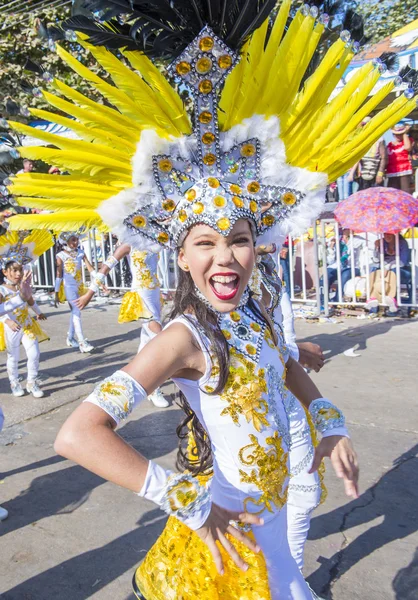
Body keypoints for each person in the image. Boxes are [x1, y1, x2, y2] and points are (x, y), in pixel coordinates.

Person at [4, 2, 412, 596]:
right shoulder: (182, 338)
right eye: (206, 243)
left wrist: (329, 422)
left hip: (271, 530)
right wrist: (187, 503)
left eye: (239, 240)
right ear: (183, 256)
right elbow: (78, 434)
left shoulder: (253, 313)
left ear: (257, 246)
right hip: (225, 544)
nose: (225, 256)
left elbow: (286, 363)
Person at [76, 244, 169, 408]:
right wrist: (90, 293)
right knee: (159, 339)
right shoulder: (128, 245)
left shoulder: (153, 240)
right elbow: (105, 267)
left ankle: (135, 382)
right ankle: (154, 388)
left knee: (147, 344)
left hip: (154, 295)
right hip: (141, 298)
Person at [0, 231, 52, 398]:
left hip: (27, 324)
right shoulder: (1, 290)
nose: (18, 274)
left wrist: (38, 312)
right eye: (14, 271)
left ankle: (32, 382)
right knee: (13, 357)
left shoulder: (23, 286)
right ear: (5, 272)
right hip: (12, 328)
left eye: (20, 270)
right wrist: (7, 322)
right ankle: (14, 382)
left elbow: (29, 300)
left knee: (34, 353)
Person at [54, 232, 95, 352]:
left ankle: (70, 338)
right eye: (73, 240)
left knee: (74, 312)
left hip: (80, 287)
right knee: (77, 312)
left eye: (76, 240)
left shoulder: (81, 253)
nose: (76, 242)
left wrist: (99, 280)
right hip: (69, 288)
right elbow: (59, 275)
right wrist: (56, 292)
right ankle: (82, 342)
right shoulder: (60, 255)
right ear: (66, 242)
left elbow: (90, 268)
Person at [368, 233, 412, 315]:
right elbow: (376, 260)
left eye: (390, 234)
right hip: (384, 269)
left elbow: (403, 262)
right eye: (385, 234)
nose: (387, 236)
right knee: (373, 271)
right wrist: (376, 248)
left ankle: (392, 303)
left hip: (401, 269)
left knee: (393, 272)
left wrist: (387, 268)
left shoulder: (402, 243)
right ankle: (373, 303)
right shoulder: (382, 242)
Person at [350, 117, 387, 190]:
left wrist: (380, 173)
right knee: (363, 195)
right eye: (363, 126)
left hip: (375, 172)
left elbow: (384, 157)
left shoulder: (379, 139)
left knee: (376, 195)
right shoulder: (361, 139)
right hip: (363, 174)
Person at [387, 124, 413, 192]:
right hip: (391, 172)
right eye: (396, 134)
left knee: (405, 192)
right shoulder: (390, 144)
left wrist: (404, 133)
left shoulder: (407, 141)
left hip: (404, 171)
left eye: (400, 134)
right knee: (392, 193)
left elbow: (408, 147)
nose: (398, 136)